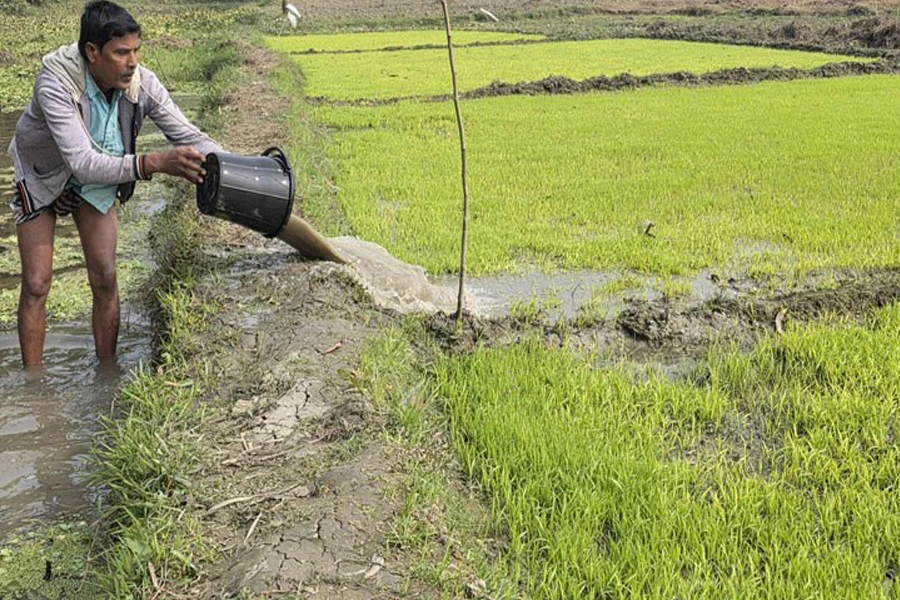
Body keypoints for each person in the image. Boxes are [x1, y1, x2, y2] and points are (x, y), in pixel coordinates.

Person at [8, 0, 223, 367]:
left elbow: (189, 135)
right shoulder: (56, 82)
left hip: (99, 172)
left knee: (105, 276)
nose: (133, 62)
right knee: (37, 283)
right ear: (92, 52)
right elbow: (80, 162)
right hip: (45, 174)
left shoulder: (141, 83)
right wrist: (152, 163)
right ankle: (34, 385)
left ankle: (106, 371)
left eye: (137, 51)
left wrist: (239, 165)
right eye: (122, 52)